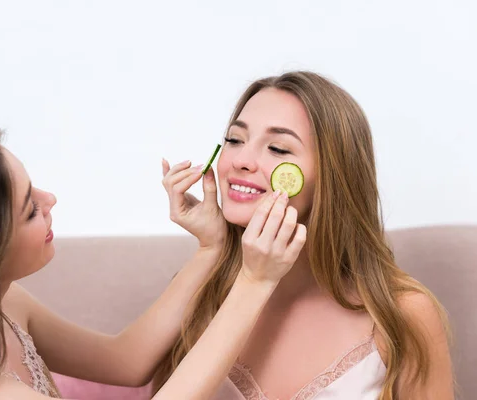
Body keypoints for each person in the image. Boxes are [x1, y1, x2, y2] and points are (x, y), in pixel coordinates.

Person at [0, 126, 306, 399]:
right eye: (30, 209)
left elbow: (126, 361)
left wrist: (210, 248)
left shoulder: (2, 305)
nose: (51, 201)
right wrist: (254, 282)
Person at [153, 71, 454, 399]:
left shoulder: (402, 313)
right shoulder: (198, 292)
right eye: (235, 140)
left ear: (333, 176)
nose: (240, 160)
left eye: (278, 148)